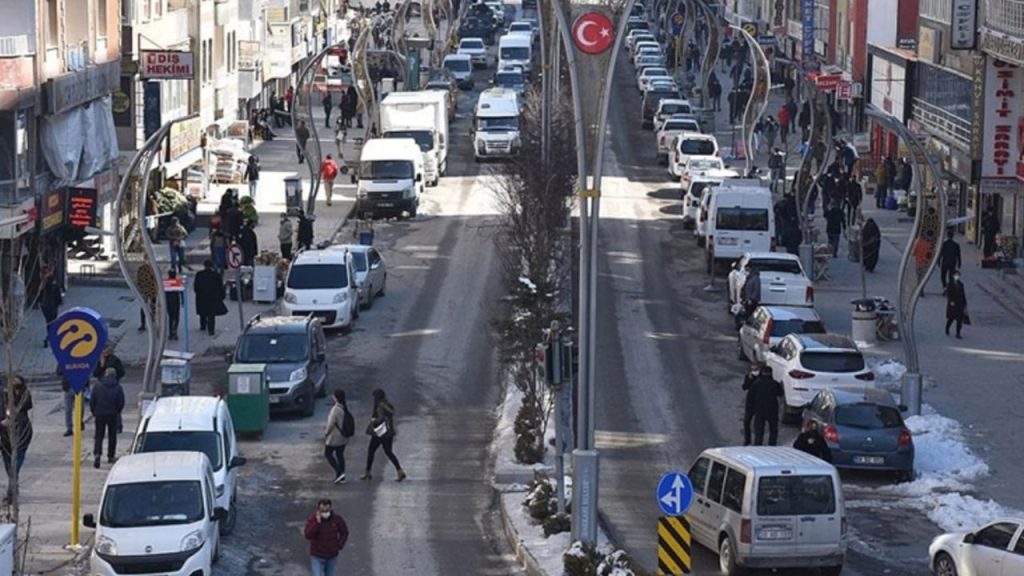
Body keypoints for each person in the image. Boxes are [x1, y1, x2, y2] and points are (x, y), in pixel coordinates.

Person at [361, 389, 406, 481]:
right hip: (389, 433)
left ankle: (368, 472)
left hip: (380, 433)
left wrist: (374, 421)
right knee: (389, 452)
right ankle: (399, 470)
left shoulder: (380, 407)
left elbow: (381, 418)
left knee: (371, 451)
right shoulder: (388, 405)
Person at [0, 376, 32, 503]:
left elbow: (28, 404)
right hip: (6, 440)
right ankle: (13, 488)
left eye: (18, 387)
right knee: (9, 468)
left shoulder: (24, 399)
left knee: (14, 468)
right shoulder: (3, 399)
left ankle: (11, 493)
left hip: (21, 438)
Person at [89, 367, 125, 469]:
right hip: (112, 414)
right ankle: (111, 456)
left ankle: (97, 454)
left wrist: (94, 412)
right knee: (112, 436)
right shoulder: (118, 387)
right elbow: (121, 402)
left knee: (99, 435)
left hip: (99, 414)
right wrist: (117, 411)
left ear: (105, 374)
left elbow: (92, 401)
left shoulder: (98, 386)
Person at [304, 499, 350, 576]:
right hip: (317, 555)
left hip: (331, 555)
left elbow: (344, 533)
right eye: (323, 510)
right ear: (318, 510)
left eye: (327, 510)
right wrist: (317, 523)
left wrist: (339, 545)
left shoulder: (337, 519)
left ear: (330, 508)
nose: (325, 512)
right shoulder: (313, 520)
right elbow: (308, 535)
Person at [746, 364, 783, 446]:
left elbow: (750, 397)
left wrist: (749, 410)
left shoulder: (756, 384)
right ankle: (772, 446)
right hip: (772, 410)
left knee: (759, 431)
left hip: (759, 410)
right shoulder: (774, 383)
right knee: (773, 430)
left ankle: (757, 446)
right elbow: (780, 393)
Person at [324, 390, 355, 484]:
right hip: (343, 437)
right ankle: (342, 477)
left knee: (328, 454)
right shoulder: (344, 408)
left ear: (335, 398)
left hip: (334, 437)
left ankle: (339, 472)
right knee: (340, 455)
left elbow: (331, 424)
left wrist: (326, 432)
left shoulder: (335, 410)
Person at [194, 259, 228, 336]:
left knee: (203, 312)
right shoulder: (216, 275)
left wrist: (199, 294)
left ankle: (202, 326)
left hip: (202, 297)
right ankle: (211, 330)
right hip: (212, 298)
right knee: (211, 314)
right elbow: (220, 287)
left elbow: (196, 286)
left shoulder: (199, 274)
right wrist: (222, 296)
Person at [39, 271, 62, 347]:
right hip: (53, 307)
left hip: (45, 307)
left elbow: (40, 296)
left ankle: (49, 336)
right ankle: (51, 337)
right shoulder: (56, 287)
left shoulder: (44, 287)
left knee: (48, 322)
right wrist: (58, 303)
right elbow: (59, 298)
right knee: (53, 322)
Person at [945, 271, 967, 339]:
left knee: (959, 319)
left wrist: (965, 303)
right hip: (953, 304)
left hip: (960, 303)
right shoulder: (950, 284)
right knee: (951, 318)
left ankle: (958, 333)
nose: (957, 276)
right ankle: (947, 328)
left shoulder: (961, 284)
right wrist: (951, 301)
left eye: (958, 275)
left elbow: (963, 294)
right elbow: (949, 294)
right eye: (956, 275)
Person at [165, 269, 183, 340]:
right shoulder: (178, 282)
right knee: (176, 317)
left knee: (171, 318)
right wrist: (183, 301)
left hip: (168, 302)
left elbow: (163, 293)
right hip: (176, 302)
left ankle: (170, 333)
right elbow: (181, 292)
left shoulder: (166, 282)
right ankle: (175, 331)